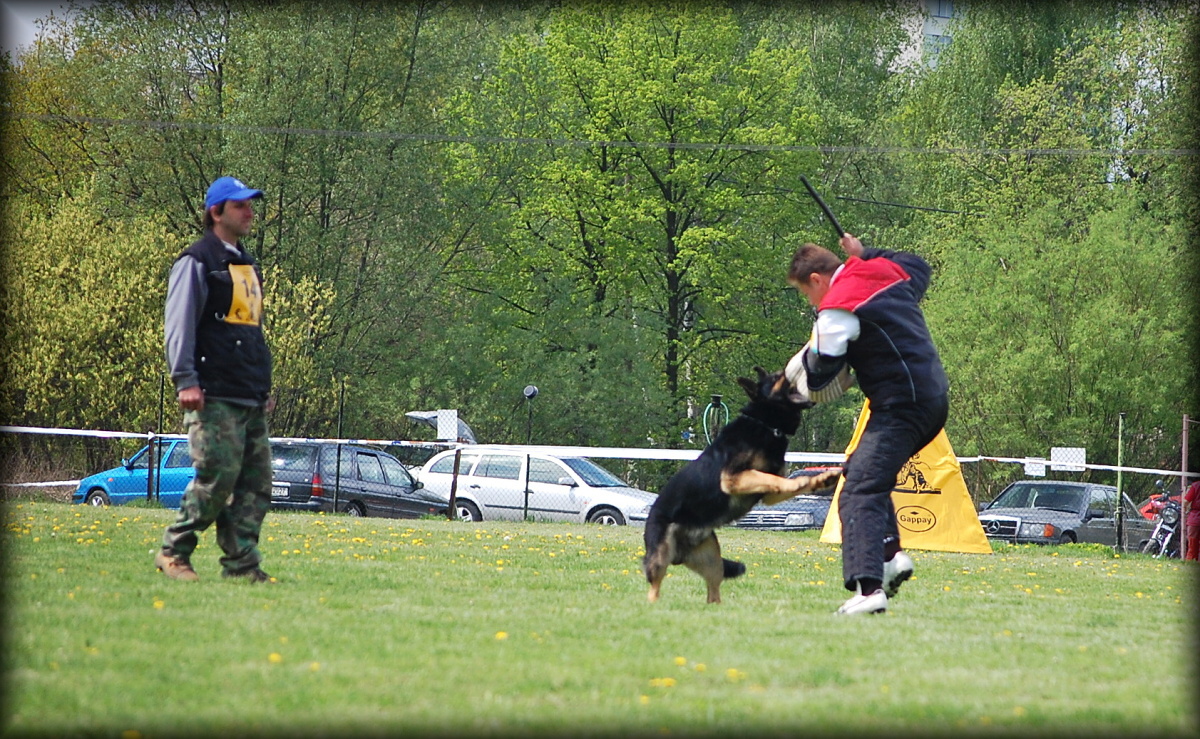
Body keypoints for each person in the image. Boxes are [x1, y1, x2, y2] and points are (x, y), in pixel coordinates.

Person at [784, 232, 949, 615]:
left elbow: (822, 372)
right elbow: (919, 266)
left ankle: (869, 590)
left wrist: (802, 371)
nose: (810, 302)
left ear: (816, 280)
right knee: (864, 472)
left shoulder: (837, 307)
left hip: (902, 406)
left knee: (858, 489)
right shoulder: (884, 271)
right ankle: (892, 557)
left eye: (805, 294)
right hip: (932, 398)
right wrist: (867, 253)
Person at [155, 176, 276, 583]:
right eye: (240, 205)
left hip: (247, 394)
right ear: (216, 212)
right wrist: (185, 378)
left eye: (250, 204)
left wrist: (262, 387)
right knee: (218, 477)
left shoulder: (244, 263)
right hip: (211, 393)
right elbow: (179, 324)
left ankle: (242, 566)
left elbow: (248, 331)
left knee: (256, 484)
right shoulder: (197, 261)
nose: (249, 211)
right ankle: (174, 551)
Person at [1184, 479, 1200, 561]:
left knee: (1192, 547)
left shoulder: (1195, 486)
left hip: (1194, 518)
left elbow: (1186, 501)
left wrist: (1186, 510)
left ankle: (1190, 563)